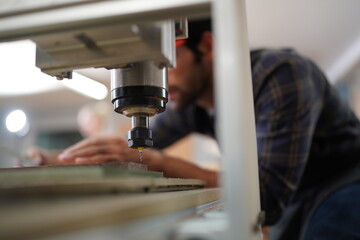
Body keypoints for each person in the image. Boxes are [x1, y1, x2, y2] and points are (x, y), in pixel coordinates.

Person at [54, 20, 360, 240]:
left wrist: (161, 162)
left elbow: (265, 198)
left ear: (207, 45)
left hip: (343, 180)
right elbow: (130, 149)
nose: (159, 77)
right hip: (295, 194)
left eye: (165, 62)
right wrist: (59, 162)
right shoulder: (191, 99)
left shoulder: (279, 75)